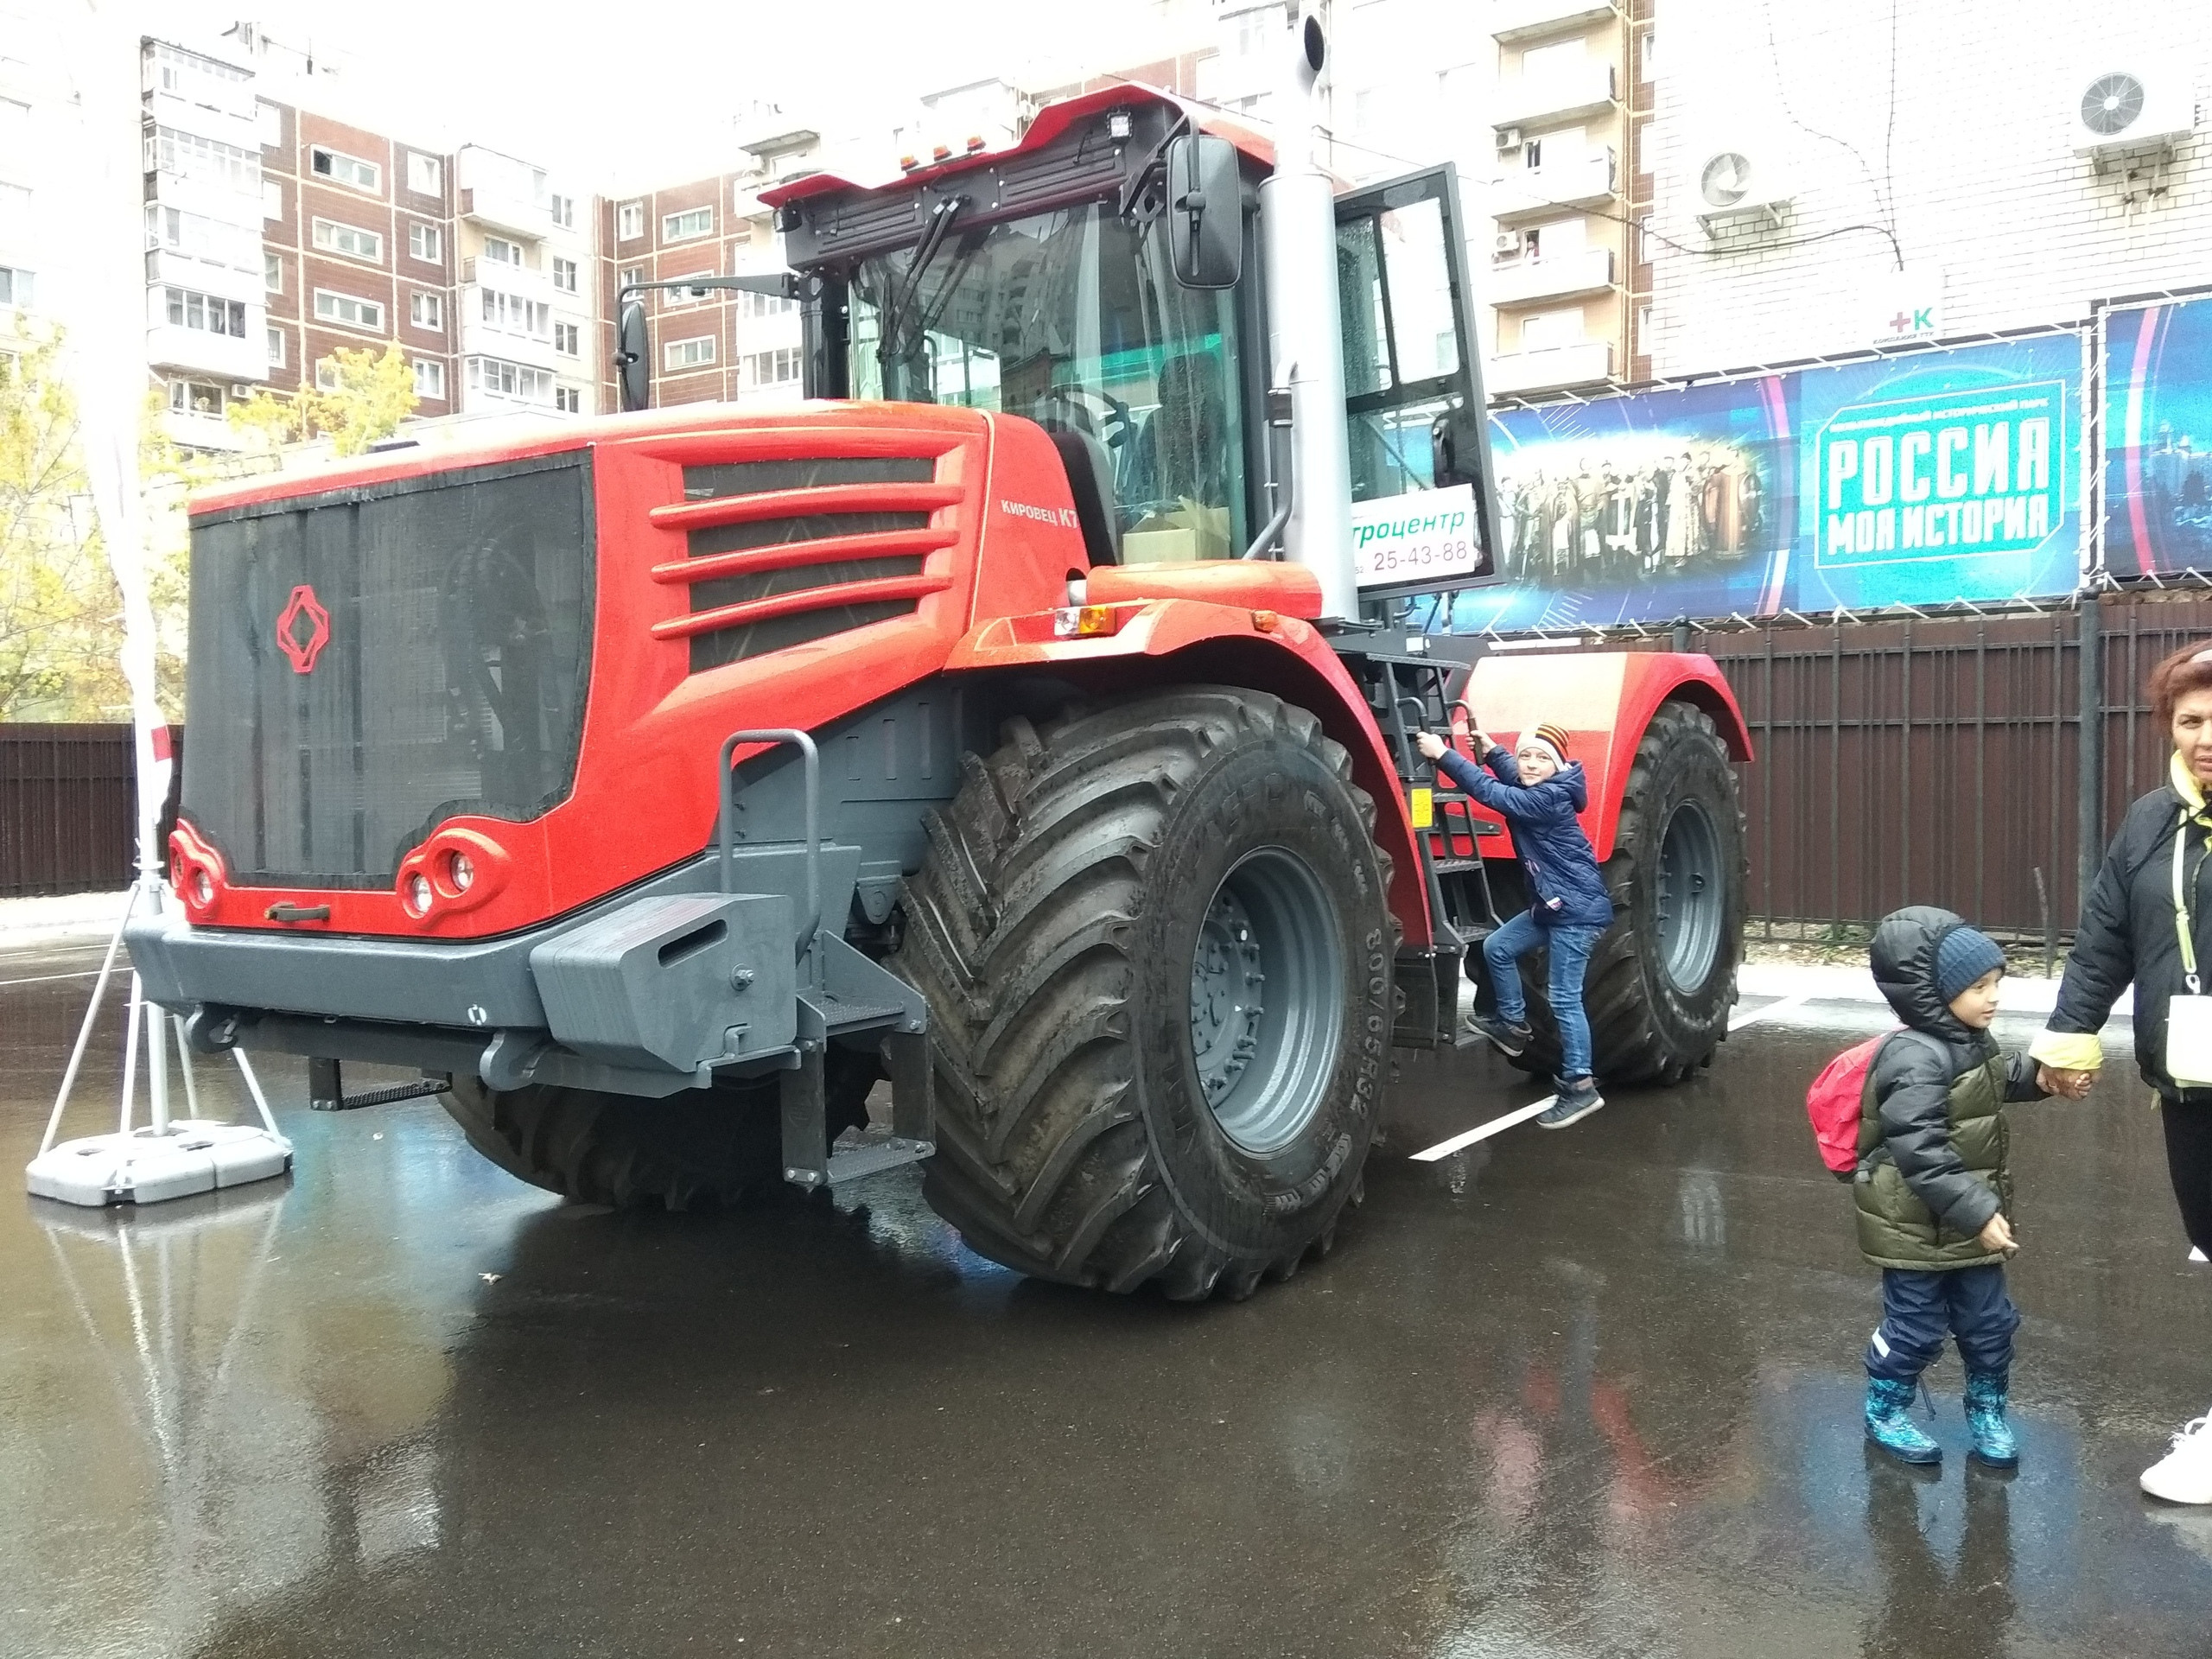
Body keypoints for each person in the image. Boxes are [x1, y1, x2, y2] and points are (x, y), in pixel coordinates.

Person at [2029, 639, 2212, 1507]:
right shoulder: (2148, 823)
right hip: (2189, 1079)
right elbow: (2105, 936)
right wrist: (2070, 1033)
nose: (2206, 738)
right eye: (2191, 720)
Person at [1853, 907, 2077, 1469]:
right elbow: (1920, 1151)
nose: (1993, 997)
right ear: (1935, 994)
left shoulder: (1972, 1041)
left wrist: (2045, 1076)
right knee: (1915, 1328)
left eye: (1997, 983)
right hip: (1914, 1229)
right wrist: (1978, 1211)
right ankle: (1884, 1408)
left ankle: (1987, 1410)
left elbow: (1997, 1078)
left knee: (1990, 1325)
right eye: (1979, 987)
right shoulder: (1914, 1058)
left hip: (1969, 1225)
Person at [1415, 723, 1612, 1128]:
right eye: (1526, 756)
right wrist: (1493, 752)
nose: (1532, 764)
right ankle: (1512, 1025)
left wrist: (1444, 755)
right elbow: (1515, 779)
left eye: (1542, 758)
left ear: (1557, 766)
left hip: (1575, 912)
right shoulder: (1542, 786)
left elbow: (1495, 794)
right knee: (1497, 948)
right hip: (1553, 906)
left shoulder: (1549, 798)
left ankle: (1580, 1086)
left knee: (1564, 1000)